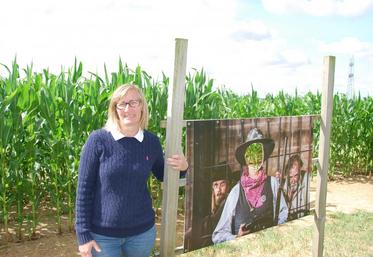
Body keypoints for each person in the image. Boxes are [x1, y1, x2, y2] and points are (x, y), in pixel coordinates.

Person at [75, 84, 188, 257]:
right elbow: (83, 189)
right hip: (103, 236)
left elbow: (163, 174)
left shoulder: (151, 142)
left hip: (141, 234)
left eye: (134, 103)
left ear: (142, 106)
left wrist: (182, 168)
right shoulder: (98, 140)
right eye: (122, 104)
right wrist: (83, 235)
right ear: (115, 109)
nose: (128, 108)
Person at [212, 128, 288, 244]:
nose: (255, 157)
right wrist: (236, 237)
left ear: (263, 157)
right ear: (246, 158)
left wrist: (277, 231)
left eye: (259, 152)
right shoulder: (236, 192)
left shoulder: (273, 184)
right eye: (251, 152)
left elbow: (283, 214)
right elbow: (217, 235)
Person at [198, 163, 231, 247]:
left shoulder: (229, 202)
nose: (219, 190)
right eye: (216, 185)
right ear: (212, 188)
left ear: (229, 186)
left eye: (222, 184)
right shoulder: (212, 203)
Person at [283, 154, 310, 220]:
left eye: (296, 175)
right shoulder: (284, 186)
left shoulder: (306, 179)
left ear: (300, 171)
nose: (293, 180)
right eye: (291, 177)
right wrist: (287, 199)